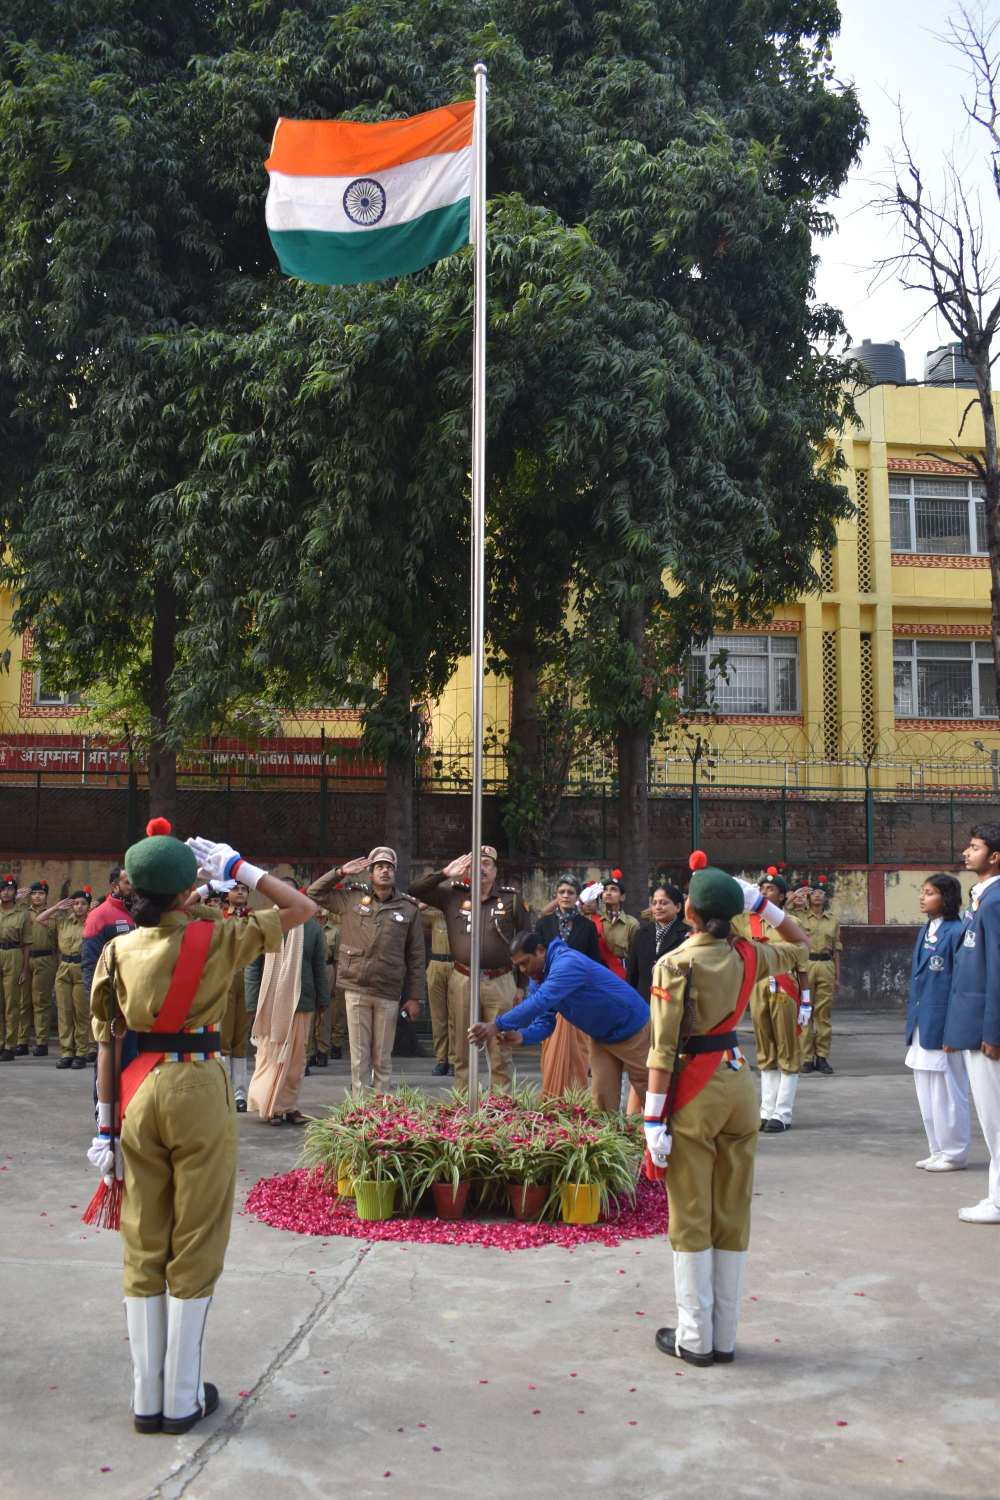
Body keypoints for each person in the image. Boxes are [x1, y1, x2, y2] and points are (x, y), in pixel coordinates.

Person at [88, 823, 315, 1433]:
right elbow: (302, 907)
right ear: (191, 891)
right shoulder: (217, 937)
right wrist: (239, 866)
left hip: (136, 1095)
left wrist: (105, 1128)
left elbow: (108, 1046)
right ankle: (183, 1396)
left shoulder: (116, 950)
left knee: (143, 1237)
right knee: (196, 1237)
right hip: (197, 1087)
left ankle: (147, 1397)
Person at [644, 862, 809, 1366]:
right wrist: (763, 905)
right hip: (740, 1085)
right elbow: (800, 943)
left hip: (695, 1088)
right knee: (732, 1208)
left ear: (689, 911)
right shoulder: (749, 954)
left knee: (691, 1210)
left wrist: (653, 1121)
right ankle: (726, 1336)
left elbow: (662, 1050)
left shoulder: (674, 963)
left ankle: (695, 1337)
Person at [470, 931, 652, 1112]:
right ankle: (617, 1139)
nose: (523, 970)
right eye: (518, 966)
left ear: (540, 951)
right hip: (601, 1036)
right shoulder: (540, 978)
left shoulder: (567, 963)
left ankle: (668, 1139)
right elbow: (545, 1022)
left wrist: (496, 1025)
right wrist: (522, 1036)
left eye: (525, 962)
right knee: (602, 1101)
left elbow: (540, 1001)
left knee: (650, 1093)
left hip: (633, 1028)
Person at [410, 848, 527, 1095]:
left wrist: (521, 985)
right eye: (476, 864)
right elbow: (415, 890)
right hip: (462, 978)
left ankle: (501, 1103)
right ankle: (464, 1103)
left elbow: (527, 940)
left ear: (495, 871)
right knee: (462, 1048)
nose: (482, 868)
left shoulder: (511, 899)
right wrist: (444, 873)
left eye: (487, 864)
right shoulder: (452, 895)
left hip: (501, 980)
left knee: (500, 1047)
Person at [308, 847, 424, 1095]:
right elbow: (314, 892)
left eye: (389, 867)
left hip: (388, 989)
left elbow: (415, 956)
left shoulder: (408, 908)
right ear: (370, 873)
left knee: (382, 1056)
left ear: (395, 872)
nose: (385, 871)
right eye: (380, 867)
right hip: (356, 986)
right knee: (359, 1055)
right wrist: (339, 872)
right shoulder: (350, 899)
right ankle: (360, 1109)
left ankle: (380, 1108)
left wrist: (414, 997)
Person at [942, 825, 1000, 1224]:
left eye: (975, 847)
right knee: (989, 1118)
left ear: (994, 856)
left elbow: (996, 970)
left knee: (995, 1119)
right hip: (974, 1023)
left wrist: (992, 1032)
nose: (967, 852)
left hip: (987, 1029)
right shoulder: (982, 900)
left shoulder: (994, 902)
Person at [245, 877, 331, 1125]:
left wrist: (323, 1000)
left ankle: (289, 1105)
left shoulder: (312, 928)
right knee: (270, 1054)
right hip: (270, 1002)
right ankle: (270, 1106)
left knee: (296, 1058)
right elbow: (253, 967)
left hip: (301, 1002)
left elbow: (319, 966)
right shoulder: (264, 924)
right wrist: (252, 1004)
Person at [733, 868, 809, 1134]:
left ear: (782, 896)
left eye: (771, 890)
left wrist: (807, 999)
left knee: (787, 1047)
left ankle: (783, 1112)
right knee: (765, 1049)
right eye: (762, 889)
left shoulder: (789, 923)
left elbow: (802, 961)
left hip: (784, 987)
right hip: (757, 987)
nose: (765, 893)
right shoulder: (746, 921)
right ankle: (766, 1110)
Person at [905, 874, 969, 1171]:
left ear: (945, 898)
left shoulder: (957, 931)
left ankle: (954, 1152)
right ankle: (936, 1148)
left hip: (944, 1024)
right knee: (926, 1089)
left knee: (948, 1090)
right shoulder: (926, 930)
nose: (922, 897)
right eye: (922, 892)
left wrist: (955, 1028)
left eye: (929, 893)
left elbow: (960, 984)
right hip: (922, 1020)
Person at [536, 875, 603, 1096]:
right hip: (550, 995)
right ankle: (551, 1098)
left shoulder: (587, 926)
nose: (565, 896)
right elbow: (537, 959)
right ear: (556, 896)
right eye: (561, 892)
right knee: (551, 1046)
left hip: (578, 996)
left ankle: (576, 1101)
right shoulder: (544, 924)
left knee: (578, 1049)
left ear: (576, 897)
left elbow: (594, 961)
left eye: (570, 892)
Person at [36, 888, 93, 1069]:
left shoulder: (92, 923)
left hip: (82, 968)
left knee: (81, 1013)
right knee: (64, 1013)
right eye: (76, 903)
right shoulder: (63, 922)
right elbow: (39, 919)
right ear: (71, 906)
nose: (79, 907)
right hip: (64, 969)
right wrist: (56, 908)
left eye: (83, 904)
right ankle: (67, 1052)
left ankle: (81, 1053)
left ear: (88, 906)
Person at [799, 880, 841, 1076]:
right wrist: (793, 897)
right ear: (808, 896)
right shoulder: (799, 917)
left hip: (826, 965)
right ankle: (807, 1058)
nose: (817, 895)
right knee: (805, 1011)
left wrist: (837, 977)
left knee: (823, 1015)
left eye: (821, 892)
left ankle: (822, 1056)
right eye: (814, 892)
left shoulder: (832, 920)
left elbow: (836, 950)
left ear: (826, 898)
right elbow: (783, 913)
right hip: (805, 965)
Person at [218, 882, 253, 1111]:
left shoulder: (253, 918)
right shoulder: (219, 918)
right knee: (224, 1037)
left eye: (244, 889)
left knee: (241, 1038)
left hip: (248, 976)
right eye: (235, 888)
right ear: (226, 894)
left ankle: (240, 1092)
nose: (240, 892)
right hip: (225, 976)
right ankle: (223, 1091)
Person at [628, 885, 689, 1003]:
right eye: (654, 903)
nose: (657, 907)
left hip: (674, 1003)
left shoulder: (687, 935)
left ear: (677, 907)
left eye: (663, 903)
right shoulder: (641, 934)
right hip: (643, 1002)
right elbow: (632, 973)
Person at [17, 880, 57, 1055]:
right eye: (34, 893)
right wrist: (17, 898)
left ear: (46, 895)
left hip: (45, 959)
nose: (37, 896)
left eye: (40, 893)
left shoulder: (55, 915)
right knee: (22, 1002)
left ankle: (41, 1042)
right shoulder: (23, 911)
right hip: (24, 959)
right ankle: (21, 1041)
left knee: (41, 1002)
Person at [421, 903, 455, 1076]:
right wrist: (428, 901)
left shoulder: (463, 913)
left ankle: (455, 1060)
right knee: (438, 1016)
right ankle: (442, 1060)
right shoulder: (435, 915)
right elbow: (413, 915)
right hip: (436, 963)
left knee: (456, 1016)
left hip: (457, 965)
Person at [0, 873, 30, 1062]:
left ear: (15, 892)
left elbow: (26, 943)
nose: (6, 892)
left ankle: (10, 1045)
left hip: (14, 955)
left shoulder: (22, 914)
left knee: (11, 1003)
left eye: (10, 889)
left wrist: (25, 968)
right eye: (3, 889)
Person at [601, 871, 639, 969]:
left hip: (621, 971)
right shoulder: (593, 920)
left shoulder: (631, 923)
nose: (608, 893)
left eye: (613, 890)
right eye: (605, 890)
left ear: (622, 897)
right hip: (598, 971)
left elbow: (635, 954)